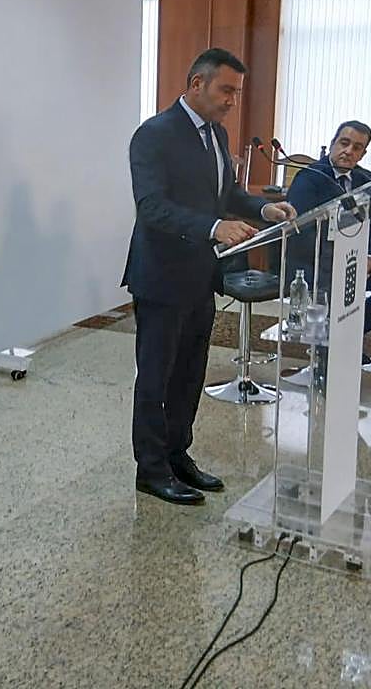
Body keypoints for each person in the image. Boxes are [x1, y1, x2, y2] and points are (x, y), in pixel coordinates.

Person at [122, 48, 295, 506]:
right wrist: (213, 227)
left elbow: (227, 193)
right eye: (226, 90)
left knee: (189, 374)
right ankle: (151, 469)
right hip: (160, 276)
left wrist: (262, 207)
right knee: (156, 379)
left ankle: (179, 456)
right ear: (196, 84)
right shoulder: (153, 135)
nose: (232, 101)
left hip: (201, 275)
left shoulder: (216, 134)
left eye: (236, 92)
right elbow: (152, 207)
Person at [284, 120, 371, 340]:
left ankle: (348, 336)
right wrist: (338, 258)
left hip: (358, 257)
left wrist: (370, 256)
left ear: (363, 154)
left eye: (357, 147)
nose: (348, 151)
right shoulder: (309, 177)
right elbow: (301, 230)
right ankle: (334, 343)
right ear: (332, 143)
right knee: (336, 284)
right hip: (317, 258)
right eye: (344, 143)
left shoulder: (367, 180)